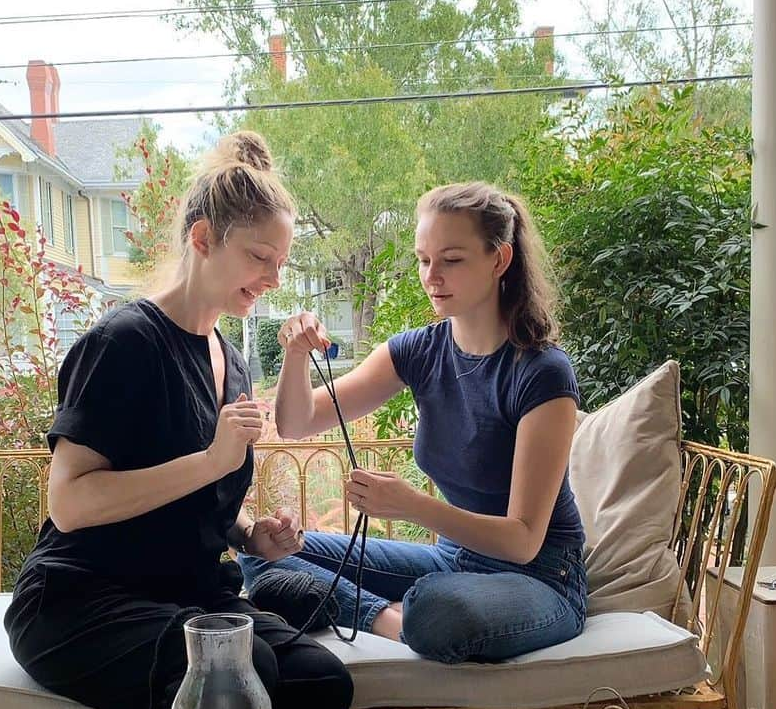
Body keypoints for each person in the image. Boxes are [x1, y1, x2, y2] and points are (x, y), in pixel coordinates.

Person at [3, 131, 353, 709]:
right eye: (259, 257)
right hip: (80, 603)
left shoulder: (234, 362)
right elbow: (71, 504)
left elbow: (200, 503)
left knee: (320, 681)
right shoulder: (123, 344)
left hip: (182, 598)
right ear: (202, 240)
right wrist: (214, 461)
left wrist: (253, 534)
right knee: (233, 672)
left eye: (280, 262)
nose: (274, 279)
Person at [241, 181, 587, 664]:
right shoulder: (419, 351)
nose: (432, 276)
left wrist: (412, 506)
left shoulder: (541, 372)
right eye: (424, 260)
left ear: (499, 260)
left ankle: (409, 618)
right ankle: (388, 620)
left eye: (452, 259)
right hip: (453, 560)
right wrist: (296, 354)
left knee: (434, 611)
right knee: (260, 551)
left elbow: (524, 540)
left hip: (541, 578)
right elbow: (297, 423)